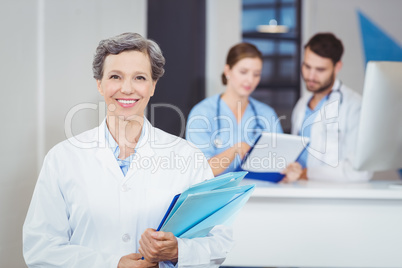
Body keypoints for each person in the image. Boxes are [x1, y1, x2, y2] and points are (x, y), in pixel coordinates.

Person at [23, 33, 233, 268]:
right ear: (100, 84)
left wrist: (177, 252)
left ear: (153, 86)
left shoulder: (188, 157)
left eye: (140, 78)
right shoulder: (62, 158)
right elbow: (40, 249)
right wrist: (113, 264)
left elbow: (219, 242)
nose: (127, 88)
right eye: (115, 76)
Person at [186, 42, 301, 181]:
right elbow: (200, 170)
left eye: (256, 74)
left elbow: (278, 165)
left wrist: (289, 174)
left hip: (263, 196)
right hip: (218, 197)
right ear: (227, 71)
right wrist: (235, 150)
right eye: (243, 72)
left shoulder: (267, 114)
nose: (250, 80)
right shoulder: (202, 113)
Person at [291, 32, 372, 182]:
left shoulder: (354, 106)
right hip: (299, 192)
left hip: (334, 197)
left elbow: (359, 171)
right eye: (307, 66)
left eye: (320, 70)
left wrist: (307, 173)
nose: (311, 76)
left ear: (337, 67)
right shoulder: (302, 105)